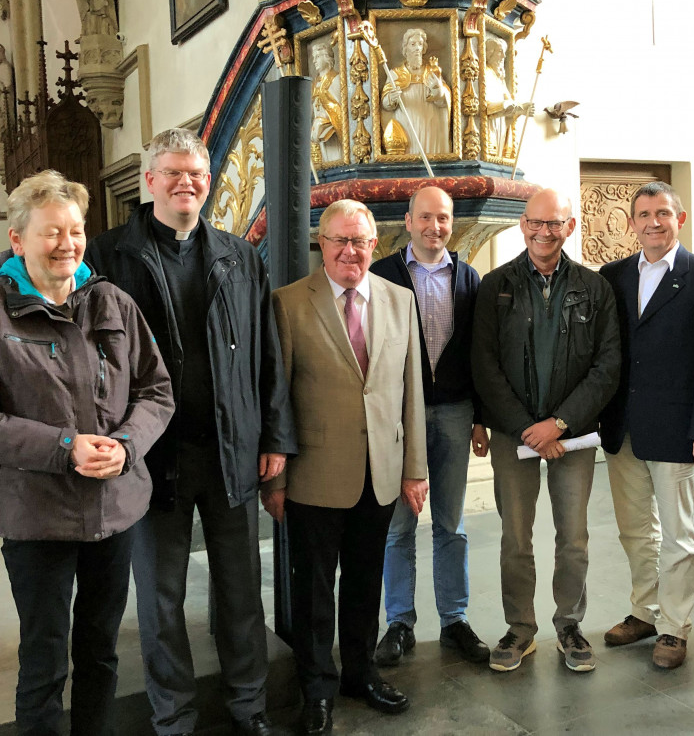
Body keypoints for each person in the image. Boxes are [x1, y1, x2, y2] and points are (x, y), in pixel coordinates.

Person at [84, 128, 296, 736]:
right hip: (152, 457)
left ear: (208, 181)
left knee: (240, 592)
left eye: (197, 174)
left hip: (231, 451)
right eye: (173, 172)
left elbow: (267, 356)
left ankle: (248, 707)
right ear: (149, 180)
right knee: (160, 600)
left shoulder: (238, 254)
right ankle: (173, 718)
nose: (186, 183)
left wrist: (275, 437)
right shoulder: (108, 254)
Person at [0, 170, 174, 736]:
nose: (68, 244)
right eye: (52, 232)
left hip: (112, 507)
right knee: (45, 662)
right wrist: (64, 447)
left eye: (75, 230)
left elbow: (156, 391)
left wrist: (125, 446)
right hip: (35, 515)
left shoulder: (112, 301)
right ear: (18, 239)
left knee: (101, 652)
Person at [265, 199, 428, 735]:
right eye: (340, 241)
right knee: (312, 591)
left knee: (365, 583)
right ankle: (317, 689)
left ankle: (359, 673)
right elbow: (278, 398)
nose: (350, 251)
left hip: (379, 472)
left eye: (359, 241)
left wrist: (414, 468)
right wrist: (278, 478)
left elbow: (411, 393)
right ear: (323, 243)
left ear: (374, 245)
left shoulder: (400, 300)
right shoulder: (288, 303)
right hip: (314, 475)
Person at [471, 187, 621, 674]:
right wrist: (525, 428)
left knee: (573, 537)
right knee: (516, 537)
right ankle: (519, 628)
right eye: (536, 222)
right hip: (515, 436)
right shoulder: (495, 287)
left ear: (569, 227)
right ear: (523, 225)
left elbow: (607, 364)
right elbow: (485, 366)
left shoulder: (595, 288)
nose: (544, 231)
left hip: (573, 436)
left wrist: (558, 424)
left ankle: (569, 625)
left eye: (555, 224)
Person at [598, 182, 694, 670]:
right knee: (636, 532)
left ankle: (675, 629)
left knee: (679, 535)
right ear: (632, 222)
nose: (652, 222)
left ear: (679, 219)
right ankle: (644, 611)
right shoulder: (611, 276)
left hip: (680, 429)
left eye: (662, 213)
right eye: (643, 214)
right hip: (622, 428)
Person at [370, 186, 491, 668]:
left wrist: (481, 417)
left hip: (456, 412)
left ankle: (454, 619)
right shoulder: (383, 275)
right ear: (408, 220)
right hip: (400, 417)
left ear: (451, 221)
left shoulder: (469, 278)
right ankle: (399, 621)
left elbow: (479, 355)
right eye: (425, 217)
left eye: (442, 218)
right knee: (397, 527)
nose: (434, 226)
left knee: (451, 523)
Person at [381, 27, 451, 156]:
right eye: (413, 44)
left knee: (429, 151)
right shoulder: (395, 74)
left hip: (430, 122)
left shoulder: (432, 72)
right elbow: (385, 104)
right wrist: (392, 98)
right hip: (407, 121)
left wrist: (437, 89)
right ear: (405, 48)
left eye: (420, 44)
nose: (417, 48)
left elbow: (444, 102)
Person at [483, 37, 533, 161]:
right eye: (500, 51)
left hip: (500, 123)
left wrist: (522, 109)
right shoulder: (484, 74)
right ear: (489, 54)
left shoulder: (499, 79)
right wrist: (507, 106)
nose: (504, 56)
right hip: (488, 126)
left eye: (504, 52)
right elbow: (484, 106)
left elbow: (510, 102)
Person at [310, 40, 344, 165]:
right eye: (314, 58)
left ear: (327, 57)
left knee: (336, 159)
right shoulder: (316, 84)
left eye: (317, 57)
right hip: (319, 134)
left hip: (334, 135)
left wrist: (327, 122)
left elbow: (342, 110)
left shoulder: (336, 80)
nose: (314, 61)